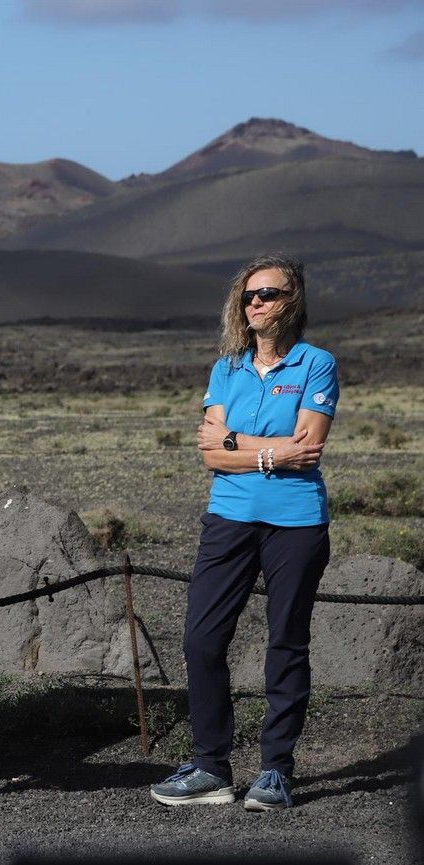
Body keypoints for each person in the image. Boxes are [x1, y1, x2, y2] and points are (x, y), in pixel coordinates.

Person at [150, 253, 337, 812]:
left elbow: (308, 450)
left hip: (296, 523)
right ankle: (211, 767)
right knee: (201, 641)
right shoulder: (225, 369)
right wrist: (266, 452)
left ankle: (275, 770)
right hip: (228, 519)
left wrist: (237, 444)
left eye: (268, 294)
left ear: (292, 302)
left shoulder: (315, 364)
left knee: (285, 643)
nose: (255, 303)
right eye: (248, 296)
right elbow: (209, 450)